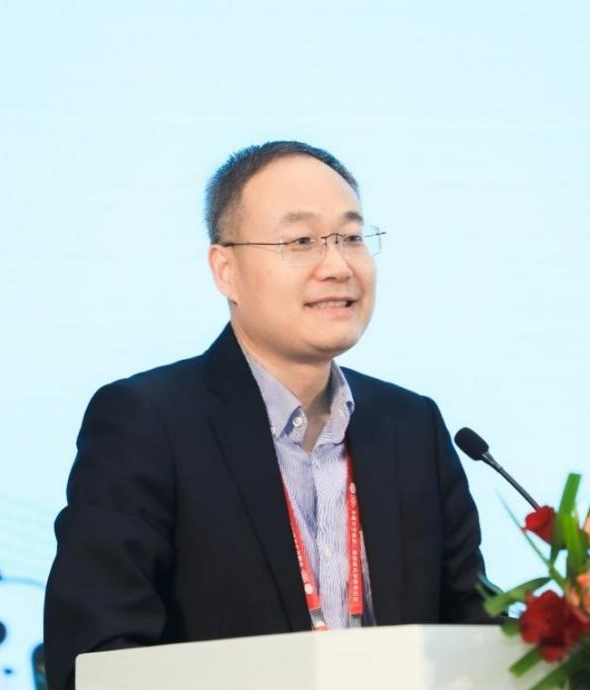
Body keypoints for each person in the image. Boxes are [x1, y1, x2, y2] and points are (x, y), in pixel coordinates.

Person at [44, 141, 491, 690]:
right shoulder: (147, 423)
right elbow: (96, 654)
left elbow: (472, 633)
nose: (337, 266)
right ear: (226, 270)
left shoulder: (411, 426)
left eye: (352, 237)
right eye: (301, 241)